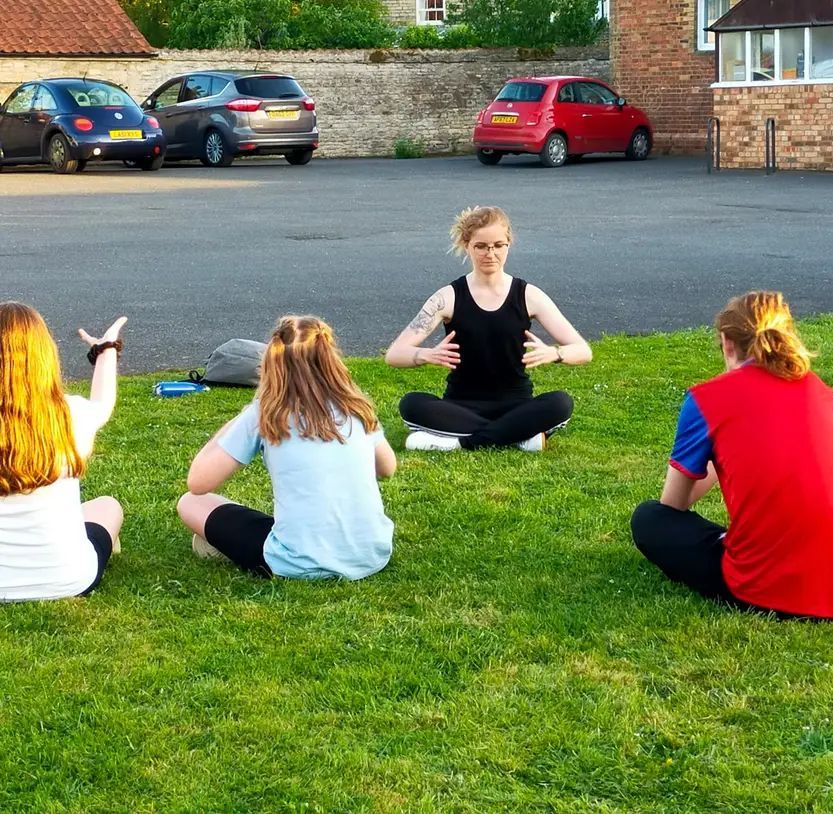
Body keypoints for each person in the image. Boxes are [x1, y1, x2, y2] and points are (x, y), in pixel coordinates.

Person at [631, 291, 833, 620]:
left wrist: (715, 457)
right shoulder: (822, 393)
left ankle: (758, 554)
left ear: (728, 344)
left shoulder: (706, 399)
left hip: (760, 589)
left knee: (649, 519)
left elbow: (674, 505)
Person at [177, 315, 397, 580]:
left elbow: (198, 483)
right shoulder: (356, 407)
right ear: (330, 358)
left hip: (296, 562)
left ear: (271, 362)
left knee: (190, 503)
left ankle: (225, 544)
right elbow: (387, 468)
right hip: (372, 554)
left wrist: (246, 414)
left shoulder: (266, 413)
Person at [385, 206, 592, 452]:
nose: (490, 253)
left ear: (508, 244)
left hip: (517, 405)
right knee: (412, 404)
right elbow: (394, 354)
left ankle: (459, 443)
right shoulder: (448, 297)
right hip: (461, 406)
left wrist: (555, 354)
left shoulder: (529, 295)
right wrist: (424, 355)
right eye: (481, 246)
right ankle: (518, 435)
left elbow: (583, 350)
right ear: (467, 245)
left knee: (560, 403)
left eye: (498, 245)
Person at [0, 303, 126, 601]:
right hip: (66, 578)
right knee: (108, 506)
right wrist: (106, 350)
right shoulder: (71, 416)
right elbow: (103, 405)